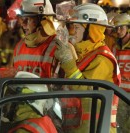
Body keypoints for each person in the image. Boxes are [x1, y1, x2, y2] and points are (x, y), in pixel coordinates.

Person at [54, 3, 121, 133]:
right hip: (81, 128)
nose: (73, 32)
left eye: (77, 28)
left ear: (92, 30)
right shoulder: (85, 54)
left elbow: (88, 91)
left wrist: (68, 63)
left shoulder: (102, 59)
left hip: (97, 128)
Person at [9, 0, 64, 79]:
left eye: (28, 19)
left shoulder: (60, 48)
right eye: (22, 19)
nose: (23, 24)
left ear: (44, 21)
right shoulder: (19, 46)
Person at [112, 13, 130, 133]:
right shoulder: (115, 47)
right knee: (121, 127)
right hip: (120, 94)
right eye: (116, 28)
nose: (119, 31)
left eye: (122, 27)